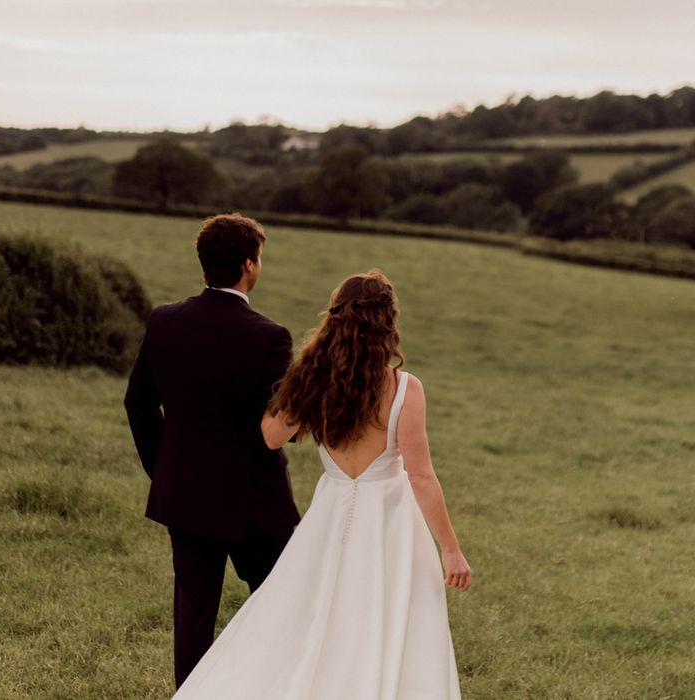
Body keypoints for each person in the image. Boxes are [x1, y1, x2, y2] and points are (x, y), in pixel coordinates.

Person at [172, 269, 471, 700]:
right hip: (390, 523)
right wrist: (450, 549)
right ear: (387, 323)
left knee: (310, 617)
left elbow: (271, 436)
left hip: (328, 517)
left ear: (336, 320)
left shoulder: (312, 377)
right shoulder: (405, 389)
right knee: (387, 623)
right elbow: (421, 477)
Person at [124, 213, 301, 689]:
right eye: (259, 257)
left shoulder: (164, 320)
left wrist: (165, 470)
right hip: (256, 504)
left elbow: (138, 403)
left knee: (194, 618)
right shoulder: (270, 336)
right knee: (284, 604)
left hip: (185, 498)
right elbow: (280, 422)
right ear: (249, 264)